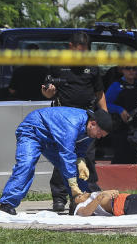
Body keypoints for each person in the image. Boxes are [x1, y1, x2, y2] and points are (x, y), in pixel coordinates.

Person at [0, 106, 113, 215]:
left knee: (76, 169)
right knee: (26, 164)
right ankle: (8, 203)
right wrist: (73, 184)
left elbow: (79, 151)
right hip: (32, 130)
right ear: (93, 124)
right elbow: (67, 154)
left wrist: (81, 162)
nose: (99, 137)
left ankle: (79, 203)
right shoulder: (72, 123)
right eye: (99, 133)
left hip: (52, 138)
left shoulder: (90, 132)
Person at [40, 32, 108, 212]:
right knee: (64, 156)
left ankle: (84, 196)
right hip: (63, 119)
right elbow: (48, 92)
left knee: (88, 157)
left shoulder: (92, 67)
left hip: (87, 119)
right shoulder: (58, 64)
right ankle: (59, 197)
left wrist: (105, 115)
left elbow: (99, 93)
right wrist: (49, 91)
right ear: (70, 47)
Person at [106, 66, 137, 164]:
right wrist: (119, 110)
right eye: (127, 68)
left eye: (134, 68)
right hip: (121, 130)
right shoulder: (116, 86)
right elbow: (105, 104)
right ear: (122, 70)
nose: (131, 71)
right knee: (121, 160)